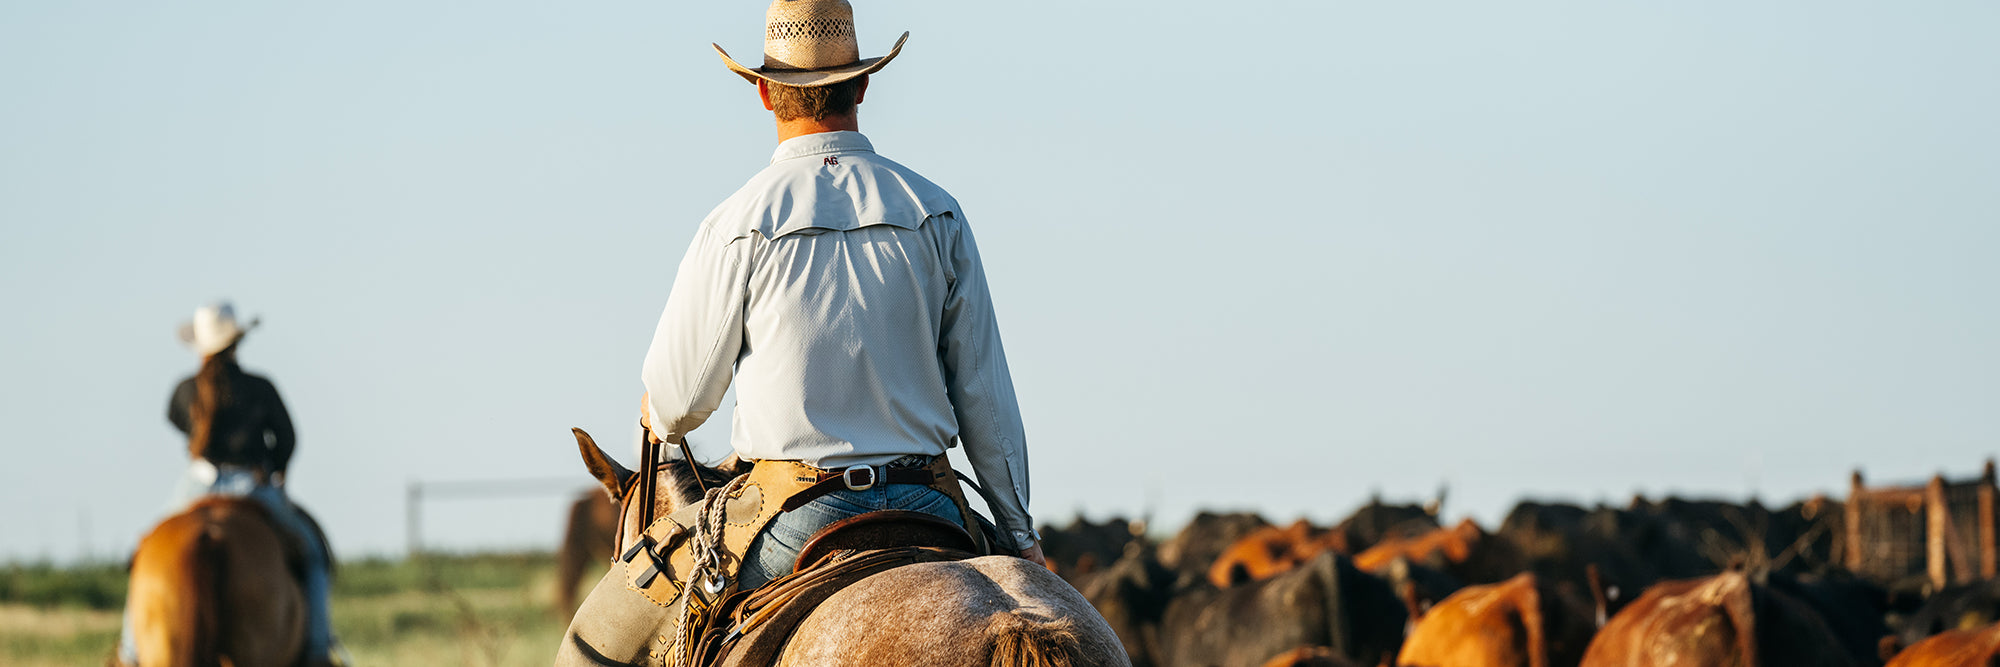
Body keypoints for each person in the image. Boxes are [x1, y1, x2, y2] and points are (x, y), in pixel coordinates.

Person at [639, 0, 1043, 592]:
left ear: (764, 94)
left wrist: (657, 406)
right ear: (862, 86)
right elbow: (984, 397)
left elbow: (680, 405)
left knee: (614, 635)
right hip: (928, 503)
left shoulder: (735, 224)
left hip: (792, 517)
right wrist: (1019, 533)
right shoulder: (937, 212)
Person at [118, 302, 343, 667]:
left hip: (197, 483)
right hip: (253, 486)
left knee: (144, 553)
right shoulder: (260, 387)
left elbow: (177, 420)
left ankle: (129, 652)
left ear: (200, 346)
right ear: (236, 341)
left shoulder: (185, 390)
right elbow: (286, 439)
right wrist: (277, 469)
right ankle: (319, 648)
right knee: (313, 555)